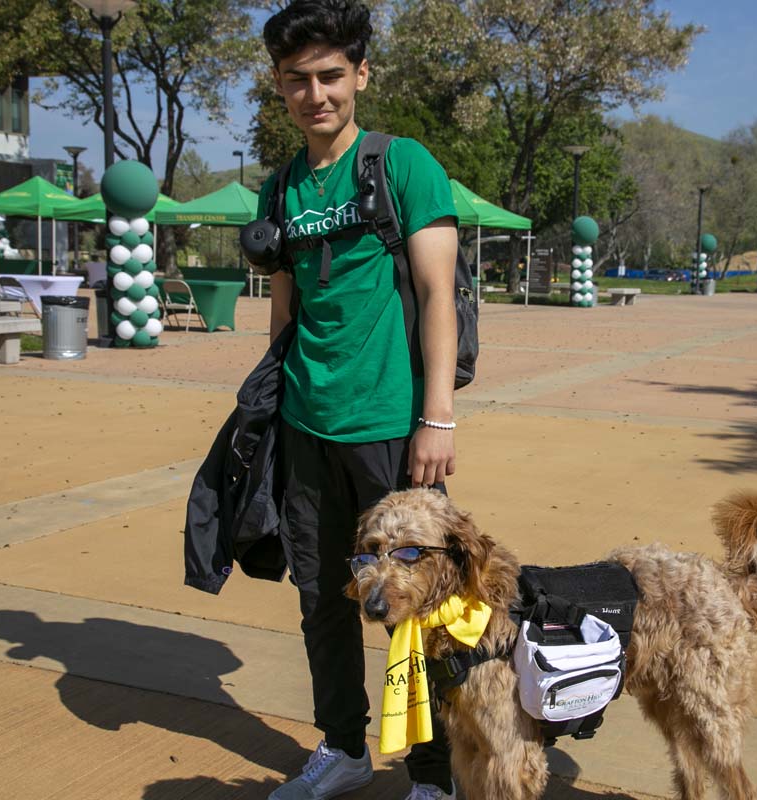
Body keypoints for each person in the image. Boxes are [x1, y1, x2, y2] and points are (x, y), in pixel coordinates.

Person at [258, 2, 461, 799]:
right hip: (307, 426)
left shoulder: (403, 164)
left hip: (393, 430)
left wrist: (436, 417)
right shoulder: (279, 188)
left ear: (361, 76)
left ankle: (434, 775)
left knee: (421, 605)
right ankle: (342, 747)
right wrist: (268, 417)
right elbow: (283, 313)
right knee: (322, 599)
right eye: (298, 80)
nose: (316, 94)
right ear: (280, 87)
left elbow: (441, 294)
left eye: (331, 76)